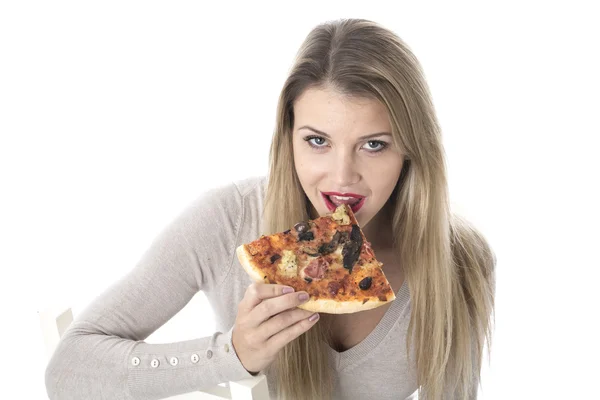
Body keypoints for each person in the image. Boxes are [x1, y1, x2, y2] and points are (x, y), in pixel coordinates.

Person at [45, 18, 495, 400]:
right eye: (318, 141)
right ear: (289, 139)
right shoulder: (226, 221)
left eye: (373, 145)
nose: (341, 178)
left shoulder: (464, 263)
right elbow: (68, 368)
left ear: (412, 151)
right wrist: (232, 355)